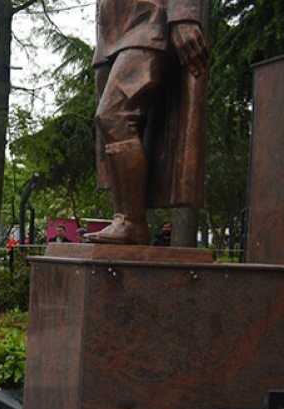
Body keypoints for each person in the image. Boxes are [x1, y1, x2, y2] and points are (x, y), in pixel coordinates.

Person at [84, 0, 208, 245]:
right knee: (112, 124)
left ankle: (131, 222)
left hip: (150, 19)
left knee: (114, 116)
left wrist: (185, 14)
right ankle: (124, 218)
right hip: (112, 32)